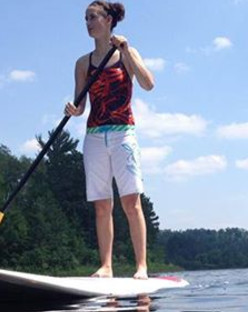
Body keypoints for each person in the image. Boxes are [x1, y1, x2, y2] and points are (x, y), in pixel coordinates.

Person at [65, 1, 155, 279]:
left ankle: (141, 266)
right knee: (102, 204)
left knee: (131, 202)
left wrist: (127, 52)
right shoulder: (82, 63)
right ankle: (106, 266)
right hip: (94, 136)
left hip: (122, 133)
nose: (88, 23)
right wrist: (73, 109)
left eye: (93, 17)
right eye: (85, 18)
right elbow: (81, 107)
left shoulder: (126, 51)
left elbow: (148, 83)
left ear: (108, 20)